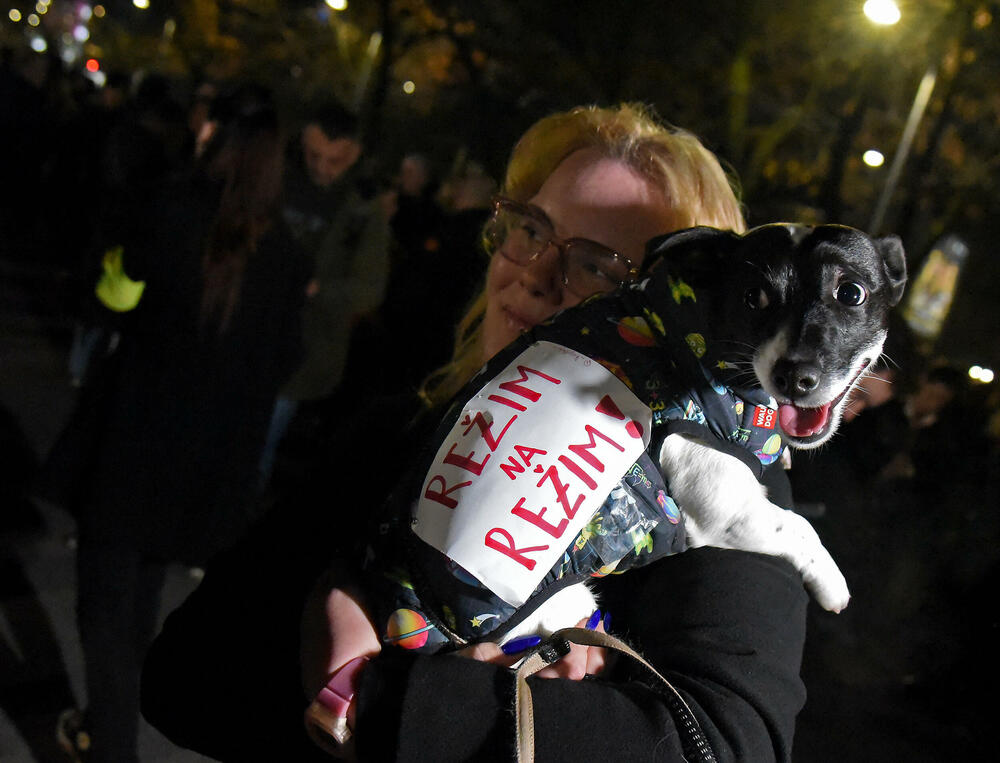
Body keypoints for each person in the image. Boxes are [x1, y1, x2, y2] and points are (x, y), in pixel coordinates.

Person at [142, 104, 808, 762]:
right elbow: (182, 678)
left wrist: (399, 702)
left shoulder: (726, 494)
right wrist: (341, 602)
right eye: (531, 230)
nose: (536, 274)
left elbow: (726, 741)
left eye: (601, 270)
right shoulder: (406, 427)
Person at [49, 84, 311, 762]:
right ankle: (107, 719)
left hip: (132, 435)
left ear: (214, 139)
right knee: (140, 598)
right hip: (206, 460)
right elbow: (285, 358)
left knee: (102, 601)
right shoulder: (283, 253)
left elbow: (114, 296)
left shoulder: (170, 210)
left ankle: (111, 743)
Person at [258, 100, 391, 485]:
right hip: (249, 331)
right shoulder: (276, 175)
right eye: (314, 155)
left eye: (336, 160)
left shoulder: (363, 207)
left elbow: (370, 288)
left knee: (257, 450)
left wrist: (319, 290)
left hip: (301, 349)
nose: (322, 168)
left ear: (355, 154)